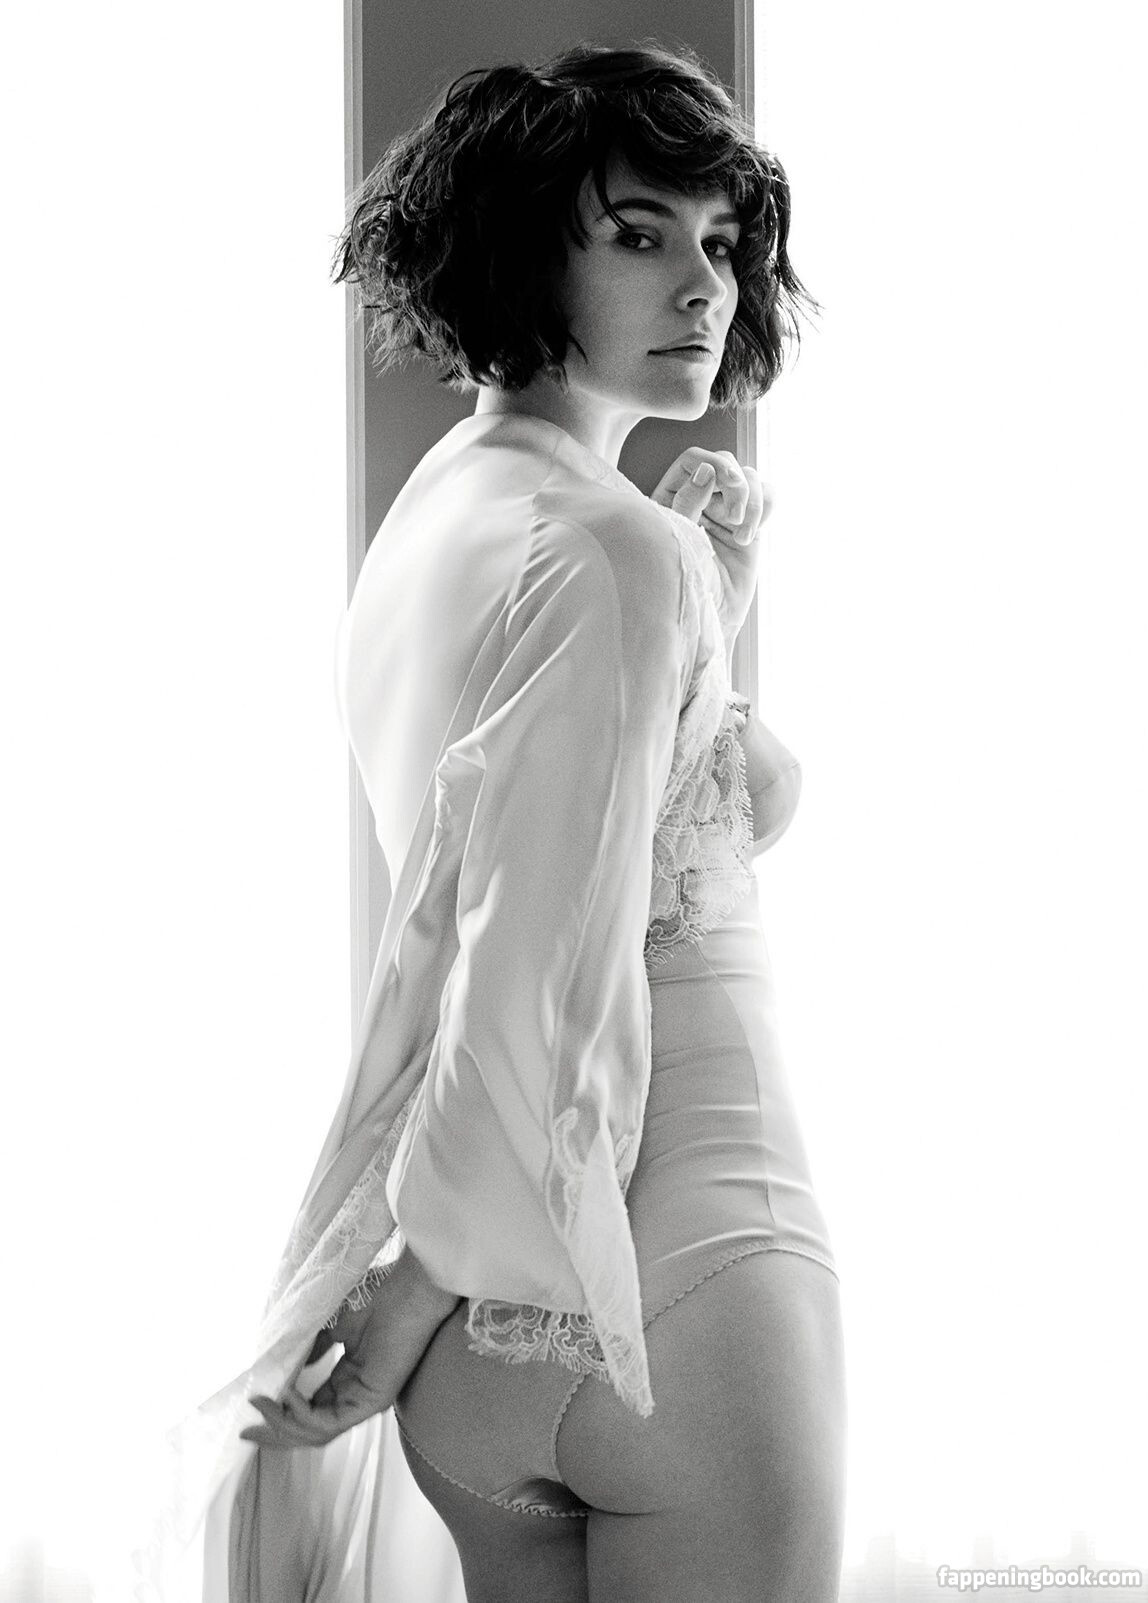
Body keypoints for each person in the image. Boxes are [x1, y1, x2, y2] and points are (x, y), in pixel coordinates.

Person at [144, 40, 845, 1603]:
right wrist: (410, 1281)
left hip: (482, 1361)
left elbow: (556, 853)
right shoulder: (611, 551)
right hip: (676, 1274)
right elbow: (537, 959)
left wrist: (704, 633)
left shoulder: (444, 518)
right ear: (524, 249)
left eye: (720, 242)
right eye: (639, 234)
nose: (704, 285)